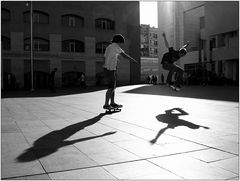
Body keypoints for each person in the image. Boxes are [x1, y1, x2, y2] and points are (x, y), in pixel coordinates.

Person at [103, 34, 138, 109]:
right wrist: (133, 60)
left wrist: (110, 63)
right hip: (110, 69)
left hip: (109, 69)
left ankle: (112, 103)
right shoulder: (115, 46)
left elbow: (106, 57)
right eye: (121, 42)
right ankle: (106, 104)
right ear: (118, 41)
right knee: (111, 87)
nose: (121, 44)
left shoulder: (109, 47)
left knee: (113, 87)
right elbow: (124, 55)